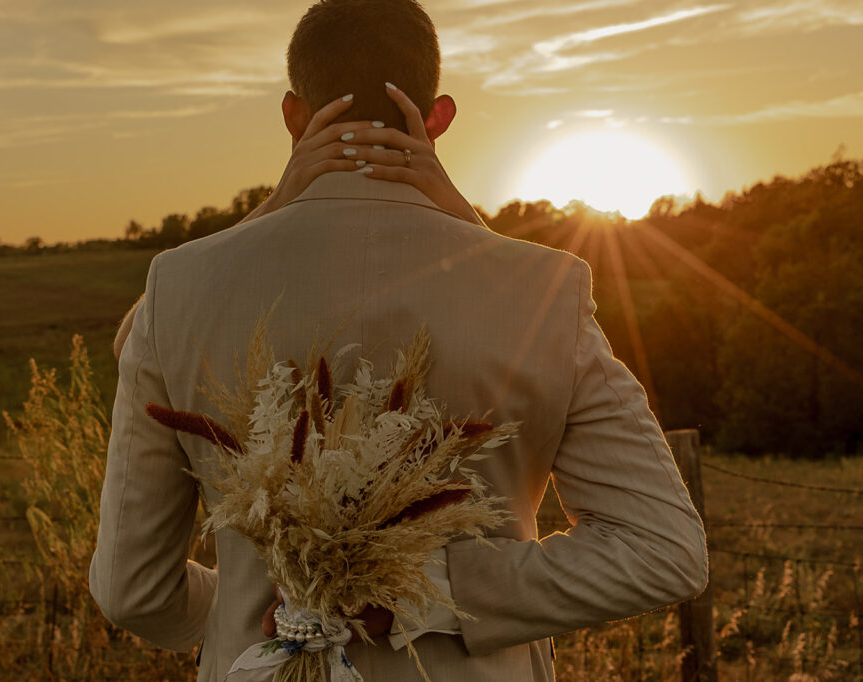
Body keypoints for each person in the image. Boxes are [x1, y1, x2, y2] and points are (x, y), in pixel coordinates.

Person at [89, 1, 710, 680]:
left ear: (294, 116)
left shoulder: (178, 289)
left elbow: (132, 591)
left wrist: (258, 602)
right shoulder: (541, 291)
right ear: (437, 116)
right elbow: (662, 551)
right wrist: (436, 590)